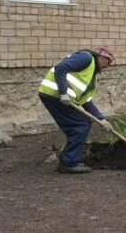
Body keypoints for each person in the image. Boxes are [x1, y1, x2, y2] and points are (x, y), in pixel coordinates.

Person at [38, 46, 115, 174]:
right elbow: (60, 68)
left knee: (80, 125)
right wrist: (63, 93)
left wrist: (102, 120)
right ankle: (69, 163)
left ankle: (69, 158)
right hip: (54, 95)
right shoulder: (86, 58)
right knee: (81, 125)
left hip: (60, 98)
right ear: (102, 56)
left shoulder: (92, 76)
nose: (109, 65)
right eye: (109, 61)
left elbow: (86, 102)